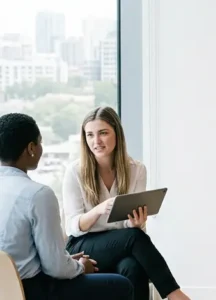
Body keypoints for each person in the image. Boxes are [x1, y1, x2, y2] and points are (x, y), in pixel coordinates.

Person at [0, 112, 134, 300]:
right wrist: (81, 266)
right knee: (121, 285)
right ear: (31, 148)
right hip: (28, 290)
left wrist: (66, 261)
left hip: (3, 290)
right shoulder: (38, 194)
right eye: (39, 142)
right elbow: (55, 268)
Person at [62, 107, 189, 300]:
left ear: (117, 134)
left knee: (132, 266)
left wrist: (136, 222)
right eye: (90, 135)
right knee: (134, 237)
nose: (96, 141)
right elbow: (72, 226)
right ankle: (174, 294)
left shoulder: (136, 169)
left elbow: (126, 225)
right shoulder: (75, 172)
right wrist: (97, 211)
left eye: (103, 133)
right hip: (83, 244)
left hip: (122, 242)